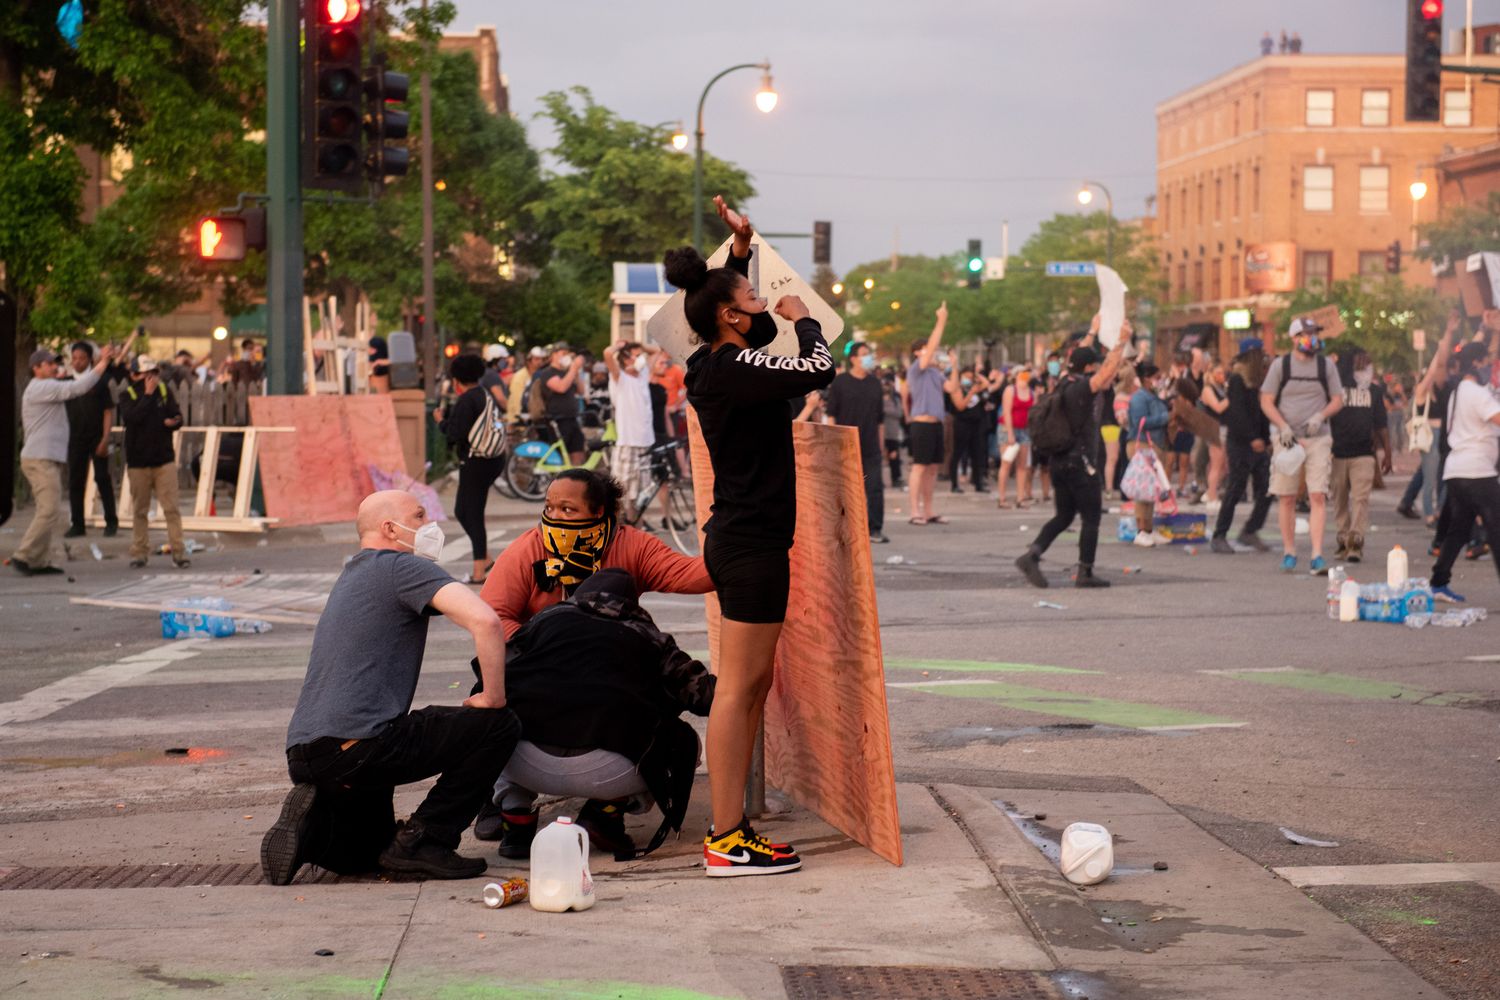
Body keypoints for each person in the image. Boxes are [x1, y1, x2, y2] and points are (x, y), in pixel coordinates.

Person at [667, 194, 834, 876]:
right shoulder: (733, 371)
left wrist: (740, 250)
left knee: (750, 684)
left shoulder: (716, 364)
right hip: (750, 544)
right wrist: (807, 321)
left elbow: (758, 334)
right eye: (752, 296)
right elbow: (817, 368)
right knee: (738, 690)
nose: (766, 302)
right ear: (728, 316)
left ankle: (732, 830)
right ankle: (726, 836)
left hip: (745, 539)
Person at [262, 490, 519, 884]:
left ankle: (313, 833)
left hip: (307, 753)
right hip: (362, 745)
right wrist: (493, 697)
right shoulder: (402, 566)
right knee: (498, 725)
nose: (430, 525)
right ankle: (426, 840)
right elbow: (485, 621)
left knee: (371, 855)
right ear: (390, 529)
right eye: (419, 516)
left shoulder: (353, 574)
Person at [479, 569, 713, 860]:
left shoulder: (540, 623)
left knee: (502, 721)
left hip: (524, 763)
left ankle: (516, 821)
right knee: (686, 742)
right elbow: (703, 697)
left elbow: (489, 680)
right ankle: (605, 814)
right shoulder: (649, 636)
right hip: (607, 772)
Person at [479, 468, 711, 639]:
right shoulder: (527, 550)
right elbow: (491, 616)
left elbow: (690, 575)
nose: (555, 516)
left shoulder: (632, 545)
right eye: (549, 508)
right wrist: (542, 648)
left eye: (567, 509)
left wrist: (727, 541)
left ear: (598, 511)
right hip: (538, 665)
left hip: (609, 661)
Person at [1015, 319, 1133, 589]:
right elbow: (1105, 374)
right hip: (1080, 463)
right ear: (1089, 368)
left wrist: (1092, 331)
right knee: (1092, 517)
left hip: (1060, 461)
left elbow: (1080, 357)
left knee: (1064, 516)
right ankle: (1085, 572)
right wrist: (1121, 341)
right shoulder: (1083, 388)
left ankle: (1032, 555)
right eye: (1095, 366)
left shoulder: (1063, 382)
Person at [12, 336, 128, 575]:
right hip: (39, 459)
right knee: (49, 510)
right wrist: (103, 362)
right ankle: (24, 556)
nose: (54, 366)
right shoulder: (41, 387)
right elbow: (77, 388)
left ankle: (38, 561)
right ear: (36, 369)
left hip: (45, 458)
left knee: (48, 510)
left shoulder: (48, 386)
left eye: (55, 362)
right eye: (49, 364)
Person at [1261, 317, 1343, 575]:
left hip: (1318, 437)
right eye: (1307, 334)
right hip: (1288, 439)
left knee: (1317, 494)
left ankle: (1317, 554)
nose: (1312, 338)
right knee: (1287, 496)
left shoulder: (1326, 365)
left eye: (1315, 333)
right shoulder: (1281, 366)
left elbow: (1338, 399)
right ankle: (1289, 551)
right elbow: (1266, 400)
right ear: (1294, 338)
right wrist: (1282, 426)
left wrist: (1320, 416)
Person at [1428, 341, 1500, 604]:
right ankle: (1438, 582)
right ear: (1476, 363)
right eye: (1486, 362)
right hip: (1477, 471)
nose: (1488, 367)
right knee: (1496, 528)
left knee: (1458, 530)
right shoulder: (1477, 394)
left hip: (1457, 470)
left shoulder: (1458, 392)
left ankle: (1438, 582)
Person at [437, 353, 506, 584]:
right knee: (463, 511)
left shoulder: (467, 400)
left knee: (472, 513)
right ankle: (485, 560)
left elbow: (455, 433)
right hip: (493, 459)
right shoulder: (484, 394)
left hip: (476, 461)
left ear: (456, 379)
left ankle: (479, 572)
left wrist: (440, 422)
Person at [117, 356, 189, 570]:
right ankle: (140, 553)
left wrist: (174, 422)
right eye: (145, 374)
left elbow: (178, 416)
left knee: (171, 508)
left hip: (163, 459)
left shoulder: (164, 391)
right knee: (140, 510)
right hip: (139, 462)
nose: (150, 379)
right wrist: (147, 394)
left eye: (153, 374)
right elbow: (132, 418)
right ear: (134, 375)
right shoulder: (127, 395)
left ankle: (179, 552)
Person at [1211, 338, 1274, 554]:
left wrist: (1265, 439)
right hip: (1240, 443)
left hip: (1258, 444)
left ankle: (1250, 530)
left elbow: (1262, 412)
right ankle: (1220, 534)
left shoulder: (1257, 381)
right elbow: (1237, 413)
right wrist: (1252, 438)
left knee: (1267, 488)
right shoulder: (1238, 379)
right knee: (1235, 489)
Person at [1400, 311, 1464, 524]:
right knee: (1429, 478)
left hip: (1443, 434)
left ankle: (1437, 511)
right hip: (1430, 435)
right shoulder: (1422, 392)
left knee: (1444, 476)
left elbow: (1440, 367)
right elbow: (1436, 368)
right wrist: (1444, 342)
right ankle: (1429, 515)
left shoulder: (1442, 390)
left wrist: (1447, 338)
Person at [1328, 349, 1391, 563]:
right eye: (1361, 363)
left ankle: (1355, 541)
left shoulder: (1374, 391)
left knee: (1360, 498)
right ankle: (1343, 537)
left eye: (1368, 363)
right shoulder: (1336, 390)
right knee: (1339, 499)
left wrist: (1387, 453)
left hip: (1364, 453)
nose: (1366, 367)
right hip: (1337, 453)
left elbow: (1381, 424)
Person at [824, 341, 888, 543]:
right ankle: (844, 530)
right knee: (846, 491)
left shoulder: (875, 383)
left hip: (871, 445)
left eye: (869, 354)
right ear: (853, 358)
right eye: (864, 354)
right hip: (846, 445)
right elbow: (831, 414)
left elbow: (880, 419)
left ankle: (875, 529)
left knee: (875, 488)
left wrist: (881, 445)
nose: (868, 357)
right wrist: (833, 442)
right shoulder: (840, 382)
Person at [64, 341, 120, 539]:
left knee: (102, 478)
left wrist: (105, 438)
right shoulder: (66, 383)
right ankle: (77, 524)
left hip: (96, 436)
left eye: (82, 358)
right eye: (75, 358)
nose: (78, 362)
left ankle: (111, 522)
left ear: (89, 359)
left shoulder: (99, 381)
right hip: (75, 438)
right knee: (76, 480)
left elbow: (107, 412)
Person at [902, 303, 951, 525]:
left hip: (936, 423)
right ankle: (915, 511)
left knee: (932, 469)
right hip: (921, 423)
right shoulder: (916, 369)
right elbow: (931, 349)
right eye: (924, 349)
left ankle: (929, 511)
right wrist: (941, 321)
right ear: (916, 353)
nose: (929, 352)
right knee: (919, 467)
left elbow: (952, 389)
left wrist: (953, 366)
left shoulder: (935, 373)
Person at [604, 340, 660, 522]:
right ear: (626, 359)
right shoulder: (619, 377)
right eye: (636, 356)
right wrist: (619, 346)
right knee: (621, 494)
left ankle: (636, 531)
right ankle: (616, 530)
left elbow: (656, 351)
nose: (640, 359)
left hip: (645, 443)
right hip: (628, 443)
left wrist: (640, 346)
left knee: (640, 497)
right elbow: (607, 353)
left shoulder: (642, 374)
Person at [1126, 363, 1172, 547]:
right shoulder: (1139, 398)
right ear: (1146, 378)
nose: (1160, 381)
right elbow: (1140, 421)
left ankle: (1148, 529)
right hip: (1142, 445)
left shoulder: (1154, 396)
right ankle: (1141, 531)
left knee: (1151, 490)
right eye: (1157, 377)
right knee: (1143, 490)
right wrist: (1165, 418)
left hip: (1153, 445)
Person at [536, 343, 587, 464]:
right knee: (560, 454)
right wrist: (573, 369)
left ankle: (575, 474)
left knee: (578, 450)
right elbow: (561, 387)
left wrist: (576, 372)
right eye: (563, 353)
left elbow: (581, 391)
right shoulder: (548, 372)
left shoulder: (568, 372)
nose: (566, 357)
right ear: (553, 355)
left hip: (572, 418)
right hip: (558, 419)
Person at [946, 365, 988, 494]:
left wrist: (977, 374)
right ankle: (954, 483)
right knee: (958, 453)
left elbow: (986, 384)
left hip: (976, 424)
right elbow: (960, 406)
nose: (968, 379)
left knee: (977, 453)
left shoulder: (974, 387)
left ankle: (978, 483)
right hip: (962, 424)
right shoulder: (957, 389)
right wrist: (970, 393)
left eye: (970, 377)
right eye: (966, 377)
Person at [997, 368, 1036, 509]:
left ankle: (1020, 497)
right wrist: (1010, 433)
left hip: (1025, 430)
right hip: (1008, 429)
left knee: (1022, 465)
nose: (1025, 375)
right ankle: (1002, 498)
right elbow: (1006, 411)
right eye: (1022, 373)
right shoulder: (1010, 390)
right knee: (1006, 464)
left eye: (1027, 373)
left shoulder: (1031, 392)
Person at [881, 367, 906, 489]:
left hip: (893, 432)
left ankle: (896, 478)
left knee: (894, 456)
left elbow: (899, 413)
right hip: (881, 433)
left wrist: (886, 411)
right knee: (880, 457)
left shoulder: (896, 398)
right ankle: (878, 480)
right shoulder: (878, 398)